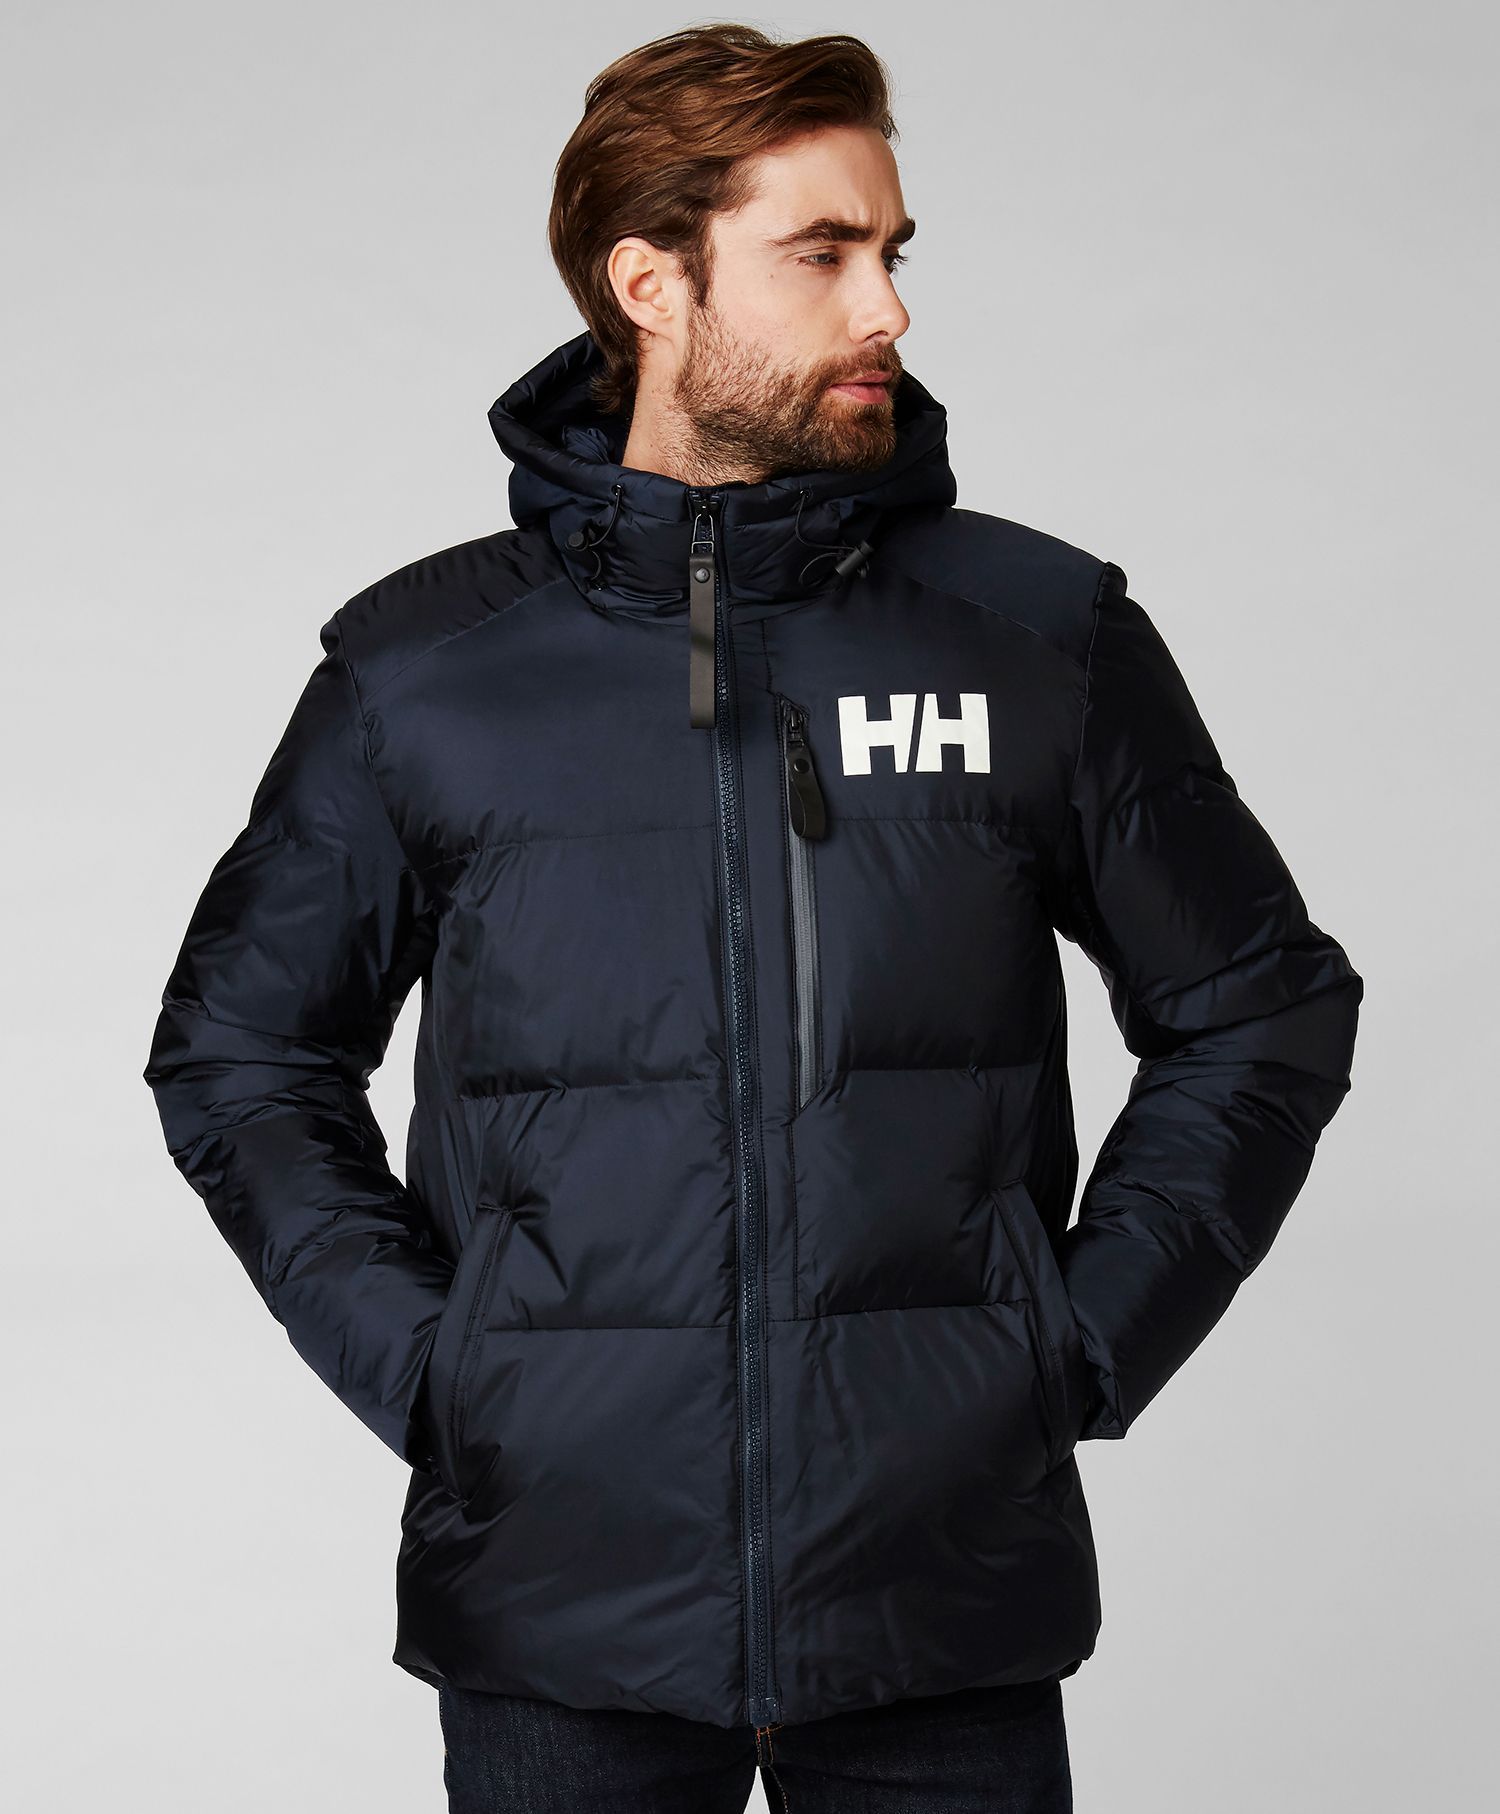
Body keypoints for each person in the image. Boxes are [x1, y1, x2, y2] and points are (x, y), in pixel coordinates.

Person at [142, 22, 1364, 1813]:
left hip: (940, 1612)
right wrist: (447, 1373)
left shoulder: (1038, 637)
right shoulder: (427, 672)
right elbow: (241, 1052)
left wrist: (1073, 1343)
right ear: (651, 282)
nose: (890, 308)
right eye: (824, 253)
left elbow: (1260, 1007)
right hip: (561, 1620)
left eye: (895, 249)